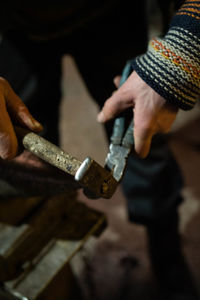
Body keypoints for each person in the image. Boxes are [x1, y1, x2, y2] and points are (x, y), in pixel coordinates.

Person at [0, 0, 199, 299]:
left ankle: (166, 246)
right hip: (15, 29)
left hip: (109, 11)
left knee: (145, 141)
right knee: (29, 161)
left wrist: (177, 60)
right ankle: (54, 265)